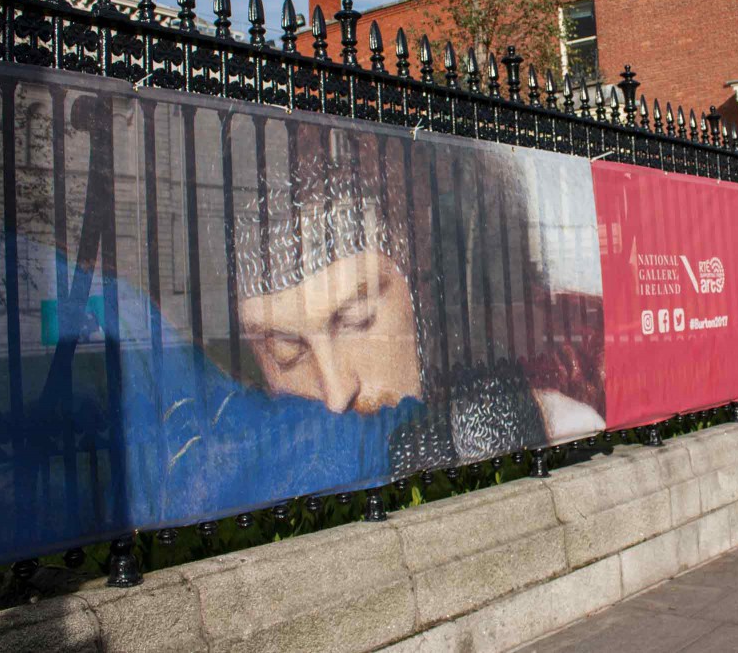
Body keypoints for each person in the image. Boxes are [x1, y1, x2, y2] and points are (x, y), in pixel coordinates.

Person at [227, 120, 605, 479]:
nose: (337, 393)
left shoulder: (566, 409)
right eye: (288, 350)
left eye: (358, 321)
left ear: (421, 295)